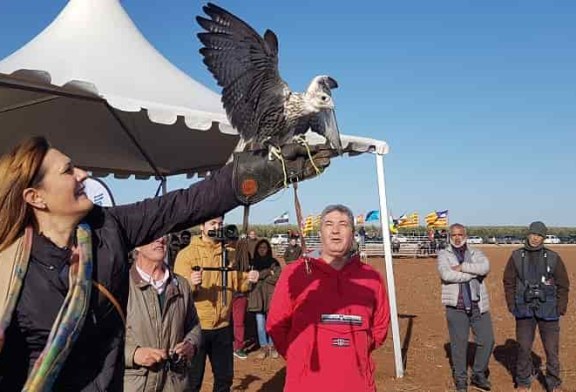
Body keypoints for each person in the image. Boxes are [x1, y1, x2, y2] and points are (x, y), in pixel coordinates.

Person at [0, 137, 330, 391]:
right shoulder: (7, 272)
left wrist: (265, 170)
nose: (83, 174)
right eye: (68, 170)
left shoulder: (108, 228)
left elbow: (184, 205)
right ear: (35, 198)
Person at [267, 204, 390, 392]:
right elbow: (276, 323)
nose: (335, 231)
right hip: (306, 383)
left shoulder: (371, 277)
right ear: (320, 232)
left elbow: (379, 328)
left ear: (352, 232)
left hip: (357, 383)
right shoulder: (295, 273)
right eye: (328, 224)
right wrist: (299, 355)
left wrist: (356, 346)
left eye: (343, 224)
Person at [174, 217, 259, 392]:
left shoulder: (229, 253)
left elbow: (237, 283)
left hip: (223, 326)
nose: (217, 227)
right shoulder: (187, 254)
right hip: (196, 328)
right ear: (202, 226)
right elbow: (177, 291)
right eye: (212, 224)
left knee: (224, 379)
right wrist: (191, 282)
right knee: (192, 381)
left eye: (220, 223)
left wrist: (249, 280)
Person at [124, 237, 201, 392]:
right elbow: (102, 339)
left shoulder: (181, 285)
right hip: (135, 385)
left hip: (175, 385)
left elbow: (194, 325)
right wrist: (133, 354)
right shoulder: (120, 286)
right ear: (136, 245)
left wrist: (191, 344)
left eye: (164, 233)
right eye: (153, 234)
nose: (161, 239)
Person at [503, 221, 570, 392]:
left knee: (551, 350)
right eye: (533, 234)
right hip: (524, 310)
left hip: (549, 310)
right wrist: (512, 304)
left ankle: (553, 382)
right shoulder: (517, 256)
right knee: (524, 347)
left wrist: (560, 307)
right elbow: (508, 281)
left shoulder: (553, 257)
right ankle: (523, 382)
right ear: (528, 234)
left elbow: (563, 284)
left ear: (543, 238)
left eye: (539, 235)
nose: (535, 238)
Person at [437, 223, 494, 392]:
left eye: (460, 234)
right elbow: (446, 274)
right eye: (453, 235)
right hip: (457, 306)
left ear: (465, 236)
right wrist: (474, 274)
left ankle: (478, 373)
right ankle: (461, 379)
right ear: (449, 236)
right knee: (459, 345)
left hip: (478, 304)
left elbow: (485, 267)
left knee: (487, 340)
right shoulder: (443, 254)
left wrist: (462, 267)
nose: (457, 237)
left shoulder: (476, 253)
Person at [248, 239, 281, 359]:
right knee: (260, 324)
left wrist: (261, 277)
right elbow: (251, 278)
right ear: (257, 249)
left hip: (270, 296)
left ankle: (272, 346)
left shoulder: (274, 262)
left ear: (268, 249)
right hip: (257, 296)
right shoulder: (252, 263)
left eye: (264, 247)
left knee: (271, 322)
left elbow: (278, 277)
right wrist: (268, 272)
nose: (262, 250)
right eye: (260, 247)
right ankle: (263, 346)